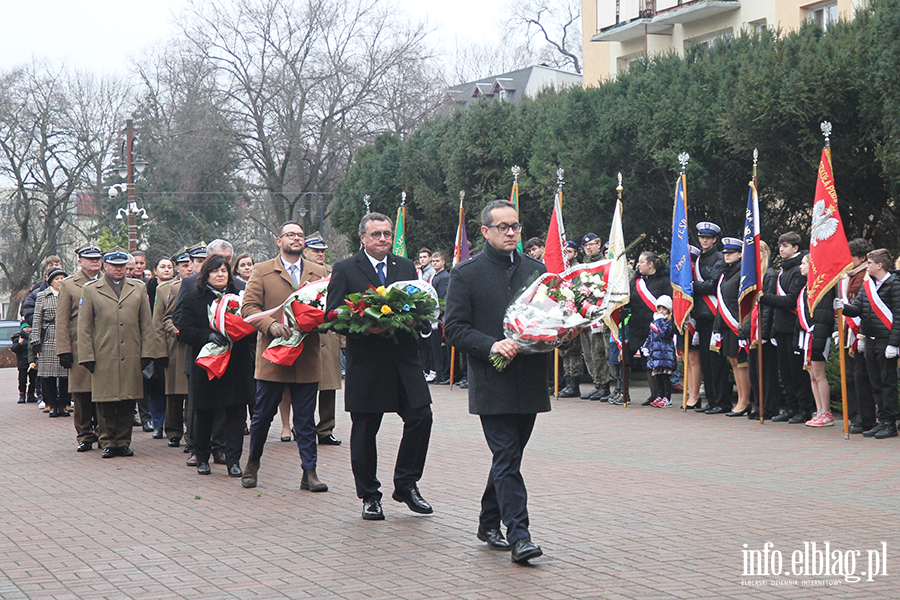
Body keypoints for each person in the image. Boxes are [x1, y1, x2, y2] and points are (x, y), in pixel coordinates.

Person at [444, 199, 548, 563]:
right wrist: (491, 344)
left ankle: (488, 521)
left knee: (510, 457)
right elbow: (454, 328)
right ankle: (520, 536)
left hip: (530, 378)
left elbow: (548, 315)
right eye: (502, 227)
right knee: (506, 456)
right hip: (492, 379)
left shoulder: (536, 269)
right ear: (485, 231)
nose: (510, 233)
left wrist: (557, 333)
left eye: (515, 226)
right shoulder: (466, 273)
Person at [325, 212, 433, 520]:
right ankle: (369, 495)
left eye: (387, 234)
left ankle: (406, 484)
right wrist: (364, 327)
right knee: (365, 430)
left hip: (404, 360)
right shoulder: (346, 269)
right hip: (367, 363)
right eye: (376, 234)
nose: (383, 239)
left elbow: (421, 305)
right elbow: (334, 315)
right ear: (363, 238)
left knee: (421, 417)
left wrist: (415, 317)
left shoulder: (406, 266)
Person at [240, 222, 328, 491]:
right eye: (291, 235)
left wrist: (318, 322)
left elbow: (328, 306)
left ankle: (309, 473)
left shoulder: (319, 272)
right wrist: (270, 325)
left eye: (300, 235)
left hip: (306, 355)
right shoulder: (263, 270)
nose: (296, 239)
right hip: (273, 356)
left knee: (305, 419)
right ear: (279, 240)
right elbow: (248, 308)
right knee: (262, 416)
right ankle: (252, 464)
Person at [77, 248, 161, 458]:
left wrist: (147, 353)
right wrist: (87, 356)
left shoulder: (138, 288)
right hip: (103, 352)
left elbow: (146, 324)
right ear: (105, 266)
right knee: (105, 401)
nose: (118, 269)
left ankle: (123, 441)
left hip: (131, 352)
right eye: (114, 265)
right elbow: (84, 327)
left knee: (127, 399)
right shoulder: (91, 289)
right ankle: (107, 442)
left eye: (122, 266)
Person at [176, 255, 253, 476]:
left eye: (224, 271)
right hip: (207, 364)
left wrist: (240, 331)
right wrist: (208, 335)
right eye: (215, 271)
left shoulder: (239, 298)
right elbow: (185, 329)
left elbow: (252, 326)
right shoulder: (194, 298)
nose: (220, 275)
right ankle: (202, 457)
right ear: (206, 274)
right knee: (205, 413)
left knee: (236, 413)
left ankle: (233, 460)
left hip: (236, 364)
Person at [837, 248, 900, 439]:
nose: (867, 266)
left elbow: (898, 316)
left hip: (886, 340)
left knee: (888, 383)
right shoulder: (868, 285)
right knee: (875, 383)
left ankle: (889, 423)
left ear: (879, 265)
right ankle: (882, 420)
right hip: (871, 340)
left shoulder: (894, 285)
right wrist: (844, 307)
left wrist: (894, 343)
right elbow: (860, 310)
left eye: (870, 263)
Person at [758, 232, 813, 423]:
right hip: (781, 328)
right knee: (786, 373)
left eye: (786, 245)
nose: (781, 249)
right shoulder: (784, 270)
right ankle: (791, 407)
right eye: (780, 245)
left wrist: (763, 298)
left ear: (795, 248)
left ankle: (804, 409)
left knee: (798, 372)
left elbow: (791, 300)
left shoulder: (799, 271)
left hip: (794, 328)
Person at [56, 244, 103, 452]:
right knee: (82, 395)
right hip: (78, 348)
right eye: (89, 258)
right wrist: (64, 350)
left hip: (104, 346)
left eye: (98, 258)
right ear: (79, 261)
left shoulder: (107, 281)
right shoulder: (69, 285)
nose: (95, 262)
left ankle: (105, 433)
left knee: (103, 393)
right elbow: (62, 320)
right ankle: (84, 435)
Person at [303, 235, 342, 446]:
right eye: (315, 250)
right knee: (304, 386)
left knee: (328, 386)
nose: (320, 254)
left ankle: (326, 429)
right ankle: (303, 427)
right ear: (305, 252)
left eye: (322, 251)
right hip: (306, 333)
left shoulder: (333, 273)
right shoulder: (300, 273)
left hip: (328, 333)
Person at [622, 251, 671, 406]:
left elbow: (668, 304)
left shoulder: (664, 281)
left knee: (657, 361)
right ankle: (647, 393)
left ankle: (660, 394)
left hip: (656, 329)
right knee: (644, 361)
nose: (638, 265)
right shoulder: (636, 281)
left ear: (651, 264)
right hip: (637, 326)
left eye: (642, 262)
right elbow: (627, 301)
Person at [154, 249, 191, 448]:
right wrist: (159, 351)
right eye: (184, 265)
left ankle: (190, 431)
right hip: (173, 346)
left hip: (190, 345)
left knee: (189, 392)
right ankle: (174, 430)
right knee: (173, 392)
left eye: (190, 264)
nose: (188, 268)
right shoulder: (166, 289)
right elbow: (158, 322)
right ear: (177, 268)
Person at [690, 222, 727, 413]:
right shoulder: (699, 259)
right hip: (702, 316)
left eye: (708, 238)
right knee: (706, 360)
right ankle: (711, 400)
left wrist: (691, 285)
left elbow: (712, 285)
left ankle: (722, 401)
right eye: (702, 237)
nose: (704, 240)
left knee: (716, 361)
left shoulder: (719, 258)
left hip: (715, 316)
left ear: (714, 240)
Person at [797, 254, 836, 427]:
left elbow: (823, 315)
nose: (800, 266)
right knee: (812, 375)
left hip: (818, 336)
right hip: (808, 335)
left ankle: (826, 412)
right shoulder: (807, 286)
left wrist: (819, 338)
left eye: (804, 263)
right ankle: (819, 409)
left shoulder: (823, 288)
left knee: (819, 374)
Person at [711, 238, 749, 416]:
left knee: (741, 362)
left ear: (740, 254)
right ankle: (741, 399)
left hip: (737, 323)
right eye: (725, 253)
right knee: (733, 362)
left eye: (731, 253)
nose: (727, 256)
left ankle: (744, 401)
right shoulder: (726, 273)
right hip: (727, 323)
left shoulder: (742, 272)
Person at [841, 238, 875, 433]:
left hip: (862, 332)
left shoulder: (866, 276)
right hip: (848, 332)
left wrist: (860, 334)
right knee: (850, 376)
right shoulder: (849, 275)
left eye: (851, 256)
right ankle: (855, 416)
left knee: (862, 377)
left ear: (862, 257)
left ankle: (865, 418)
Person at [578, 233, 617, 401]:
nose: (588, 248)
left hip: (600, 314)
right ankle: (599, 383)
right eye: (586, 246)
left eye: (592, 245)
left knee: (601, 351)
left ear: (599, 244)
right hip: (585, 314)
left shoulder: (605, 264)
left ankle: (607, 384)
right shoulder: (583, 266)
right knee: (589, 352)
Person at [28, 268, 71, 418]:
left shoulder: (69, 295)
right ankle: (51, 404)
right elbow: (37, 319)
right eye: (57, 278)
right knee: (48, 375)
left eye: (63, 278)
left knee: (65, 374)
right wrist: (36, 340)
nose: (60, 281)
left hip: (66, 336)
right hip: (48, 337)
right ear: (50, 281)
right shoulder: (42, 296)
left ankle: (64, 404)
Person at [746, 241, 782, 420]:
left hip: (762, 330)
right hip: (752, 328)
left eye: (757, 252)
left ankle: (769, 407)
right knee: (754, 370)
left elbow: (767, 307)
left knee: (766, 371)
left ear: (765, 253)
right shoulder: (751, 275)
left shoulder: (769, 275)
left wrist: (765, 333)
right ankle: (758, 404)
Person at [642, 295, 677, 408]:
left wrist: (660, 320)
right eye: (659, 308)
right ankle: (660, 395)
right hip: (655, 355)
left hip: (665, 354)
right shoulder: (655, 320)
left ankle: (667, 398)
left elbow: (665, 333)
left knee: (665, 377)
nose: (661, 311)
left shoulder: (668, 321)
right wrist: (646, 346)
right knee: (658, 377)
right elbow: (650, 336)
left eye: (664, 308)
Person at [429, 251, 451, 386]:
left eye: (437, 261)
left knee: (442, 348)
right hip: (433, 316)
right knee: (435, 348)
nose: (434, 263)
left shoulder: (444, 277)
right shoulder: (434, 277)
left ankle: (444, 373)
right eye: (433, 261)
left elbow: (442, 298)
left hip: (440, 317)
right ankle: (440, 372)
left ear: (443, 262)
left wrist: (438, 315)